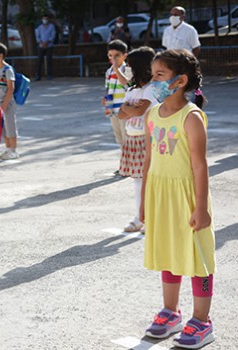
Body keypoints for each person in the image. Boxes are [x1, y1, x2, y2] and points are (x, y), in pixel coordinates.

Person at [142, 49, 215, 349]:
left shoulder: (191, 117)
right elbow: (148, 160)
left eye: (160, 75)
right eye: (153, 75)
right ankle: (171, 312)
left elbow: (200, 165)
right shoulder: (151, 114)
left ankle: (202, 321)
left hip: (187, 196)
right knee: (168, 252)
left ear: (180, 80)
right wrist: (143, 201)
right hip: (160, 194)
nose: (153, 81)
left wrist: (201, 207)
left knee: (198, 257)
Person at [116, 46, 157, 233]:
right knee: (137, 181)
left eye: (130, 65)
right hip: (132, 138)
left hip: (146, 139)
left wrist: (129, 107)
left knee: (149, 180)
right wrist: (130, 108)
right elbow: (121, 114)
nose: (127, 69)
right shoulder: (132, 89)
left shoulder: (151, 89)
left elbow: (139, 110)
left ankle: (149, 218)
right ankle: (140, 217)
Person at [103, 40, 133, 174]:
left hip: (124, 109)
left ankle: (130, 166)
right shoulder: (108, 71)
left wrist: (117, 69)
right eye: (110, 56)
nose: (113, 59)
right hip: (112, 108)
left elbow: (127, 85)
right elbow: (108, 88)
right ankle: (124, 165)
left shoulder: (128, 69)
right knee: (119, 138)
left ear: (124, 56)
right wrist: (106, 100)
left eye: (116, 56)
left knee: (127, 138)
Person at [0, 43, 19, 160]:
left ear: (0, 56)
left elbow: (11, 88)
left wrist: (5, 104)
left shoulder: (8, 69)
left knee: (10, 126)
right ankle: (7, 149)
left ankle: (14, 150)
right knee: (3, 128)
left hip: (7, 104)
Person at [35, 14, 56, 81]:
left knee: (49, 60)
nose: (45, 20)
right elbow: (37, 37)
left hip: (49, 46)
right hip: (41, 46)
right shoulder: (39, 27)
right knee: (39, 61)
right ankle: (38, 75)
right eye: (44, 19)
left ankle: (49, 75)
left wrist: (47, 42)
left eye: (46, 19)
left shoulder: (51, 27)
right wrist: (41, 43)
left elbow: (52, 36)